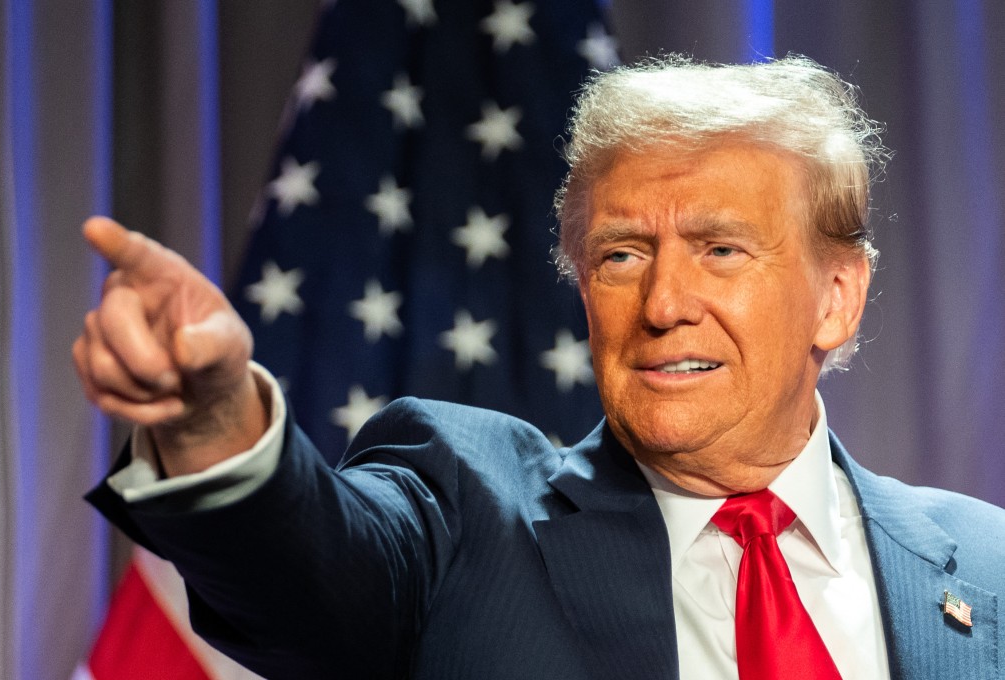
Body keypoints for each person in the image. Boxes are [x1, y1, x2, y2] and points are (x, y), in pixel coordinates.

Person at [77, 55, 1005, 679]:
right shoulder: (465, 515)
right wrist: (209, 421)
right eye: (621, 255)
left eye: (721, 250)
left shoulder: (988, 569)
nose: (663, 302)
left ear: (836, 297)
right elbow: (314, 576)